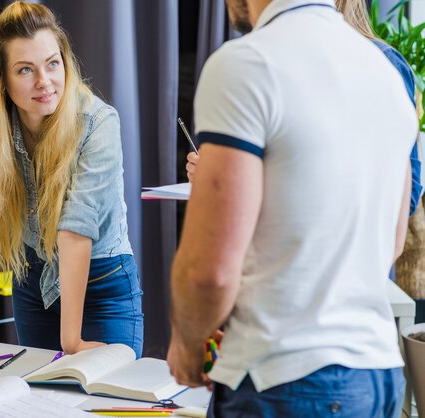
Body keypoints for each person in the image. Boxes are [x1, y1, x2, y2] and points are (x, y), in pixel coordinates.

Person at [167, 0, 416, 415]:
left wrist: (187, 344)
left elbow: (208, 272)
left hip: (284, 381)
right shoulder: (385, 73)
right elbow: (391, 241)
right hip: (377, 375)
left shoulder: (246, 63)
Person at [0, 1, 143, 357]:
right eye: (25, 70)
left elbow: (76, 227)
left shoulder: (98, 122)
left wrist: (71, 341)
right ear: (2, 78)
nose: (45, 82)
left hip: (100, 284)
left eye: (52, 64)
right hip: (32, 283)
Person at [186, 0, 423, 216]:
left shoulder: (383, 64)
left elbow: (403, 197)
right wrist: (220, 175)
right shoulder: (265, 64)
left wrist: (226, 184)